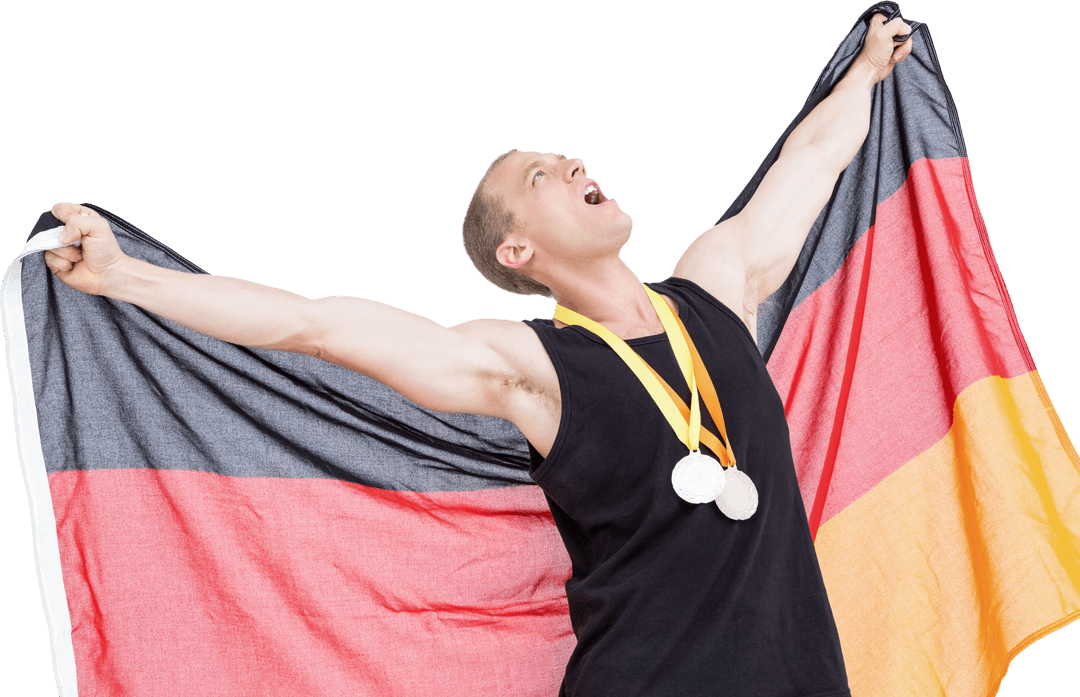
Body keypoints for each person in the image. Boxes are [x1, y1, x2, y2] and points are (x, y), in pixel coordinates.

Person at [44, 13, 913, 697]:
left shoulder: (716, 284)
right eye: (540, 174)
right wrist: (124, 276)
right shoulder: (529, 368)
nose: (572, 161)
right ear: (517, 251)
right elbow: (314, 325)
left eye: (563, 158)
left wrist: (870, 69)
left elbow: (812, 162)